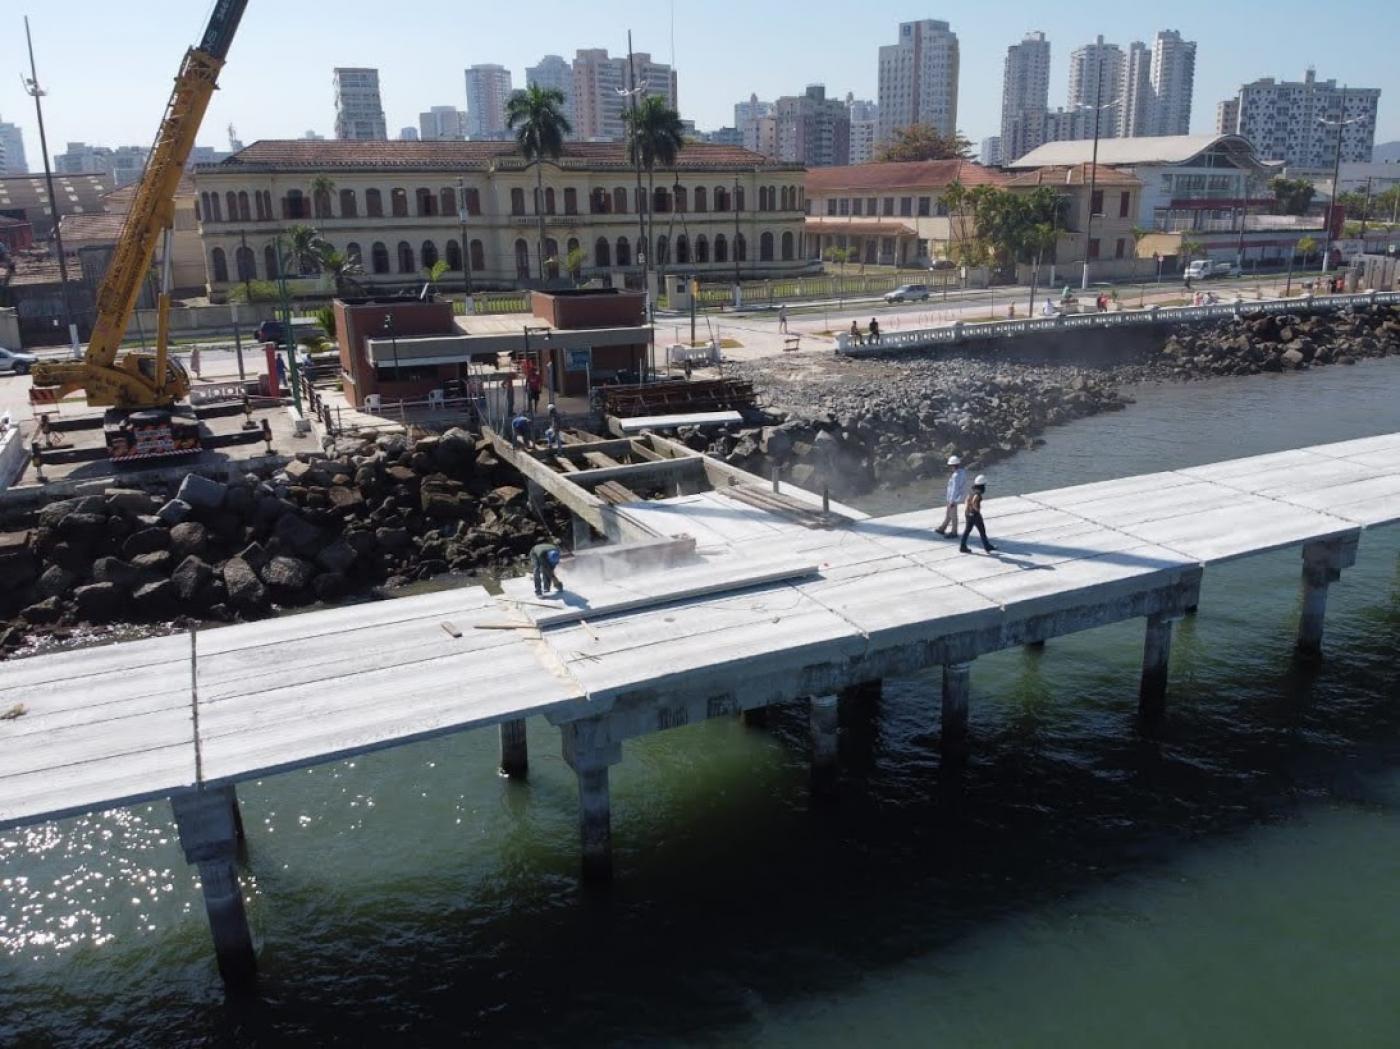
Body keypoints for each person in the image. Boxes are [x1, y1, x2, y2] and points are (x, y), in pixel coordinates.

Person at [959, 474, 997, 554]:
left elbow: (966, 500)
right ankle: (987, 547)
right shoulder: (978, 494)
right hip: (975, 515)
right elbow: (974, 502)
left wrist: (967, 510)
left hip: (968, 514)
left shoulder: (971, 491)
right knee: (982, 531)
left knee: (967, 530)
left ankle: (962, 546)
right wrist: (977, 510)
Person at [934, 455, 968, 537]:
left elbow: (954, 489)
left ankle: (954, 532)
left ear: (953, 466)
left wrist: (952, 501)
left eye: (950, 466)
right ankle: (942, 528)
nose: (949, 468)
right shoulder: (962, 472)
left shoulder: (956, 476)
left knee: (953, 516)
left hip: (953, 499)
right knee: (949, 514)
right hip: (957, 497)